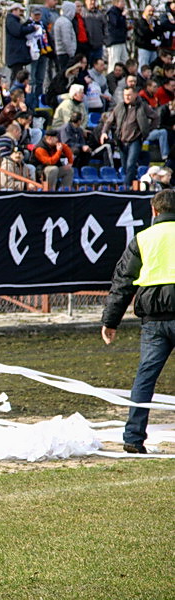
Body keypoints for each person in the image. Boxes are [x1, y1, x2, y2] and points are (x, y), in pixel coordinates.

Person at [101, 189, 175, 454]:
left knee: (145, 378)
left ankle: (133, 437)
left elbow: (122, 283)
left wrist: (111, 321)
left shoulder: (142, 239)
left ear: (154, 211)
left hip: (153, 320)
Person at [101, 86, 160, 186]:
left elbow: (155, 117)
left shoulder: (142, 106)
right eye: (125, 95)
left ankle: (126, 187)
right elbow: (109, 121)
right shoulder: (119, 106)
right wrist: (104, 132)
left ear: (135, 95)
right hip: (121, 140)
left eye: (129, 95)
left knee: (130, 164)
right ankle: (133, 184)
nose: (126, 97)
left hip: (135, 139)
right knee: (125, 166)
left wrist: (147, 130)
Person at [6, 2, 37, 81]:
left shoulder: (15, 21)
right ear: (14, 10)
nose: (22, 13)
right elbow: (18, 31)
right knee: (16, 76)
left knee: (19, 76)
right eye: (20, 11)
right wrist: (32, 28)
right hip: (16, 55)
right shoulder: (11, 21)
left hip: (18, 55)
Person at [135, 4, 162, 71]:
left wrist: (157, 40)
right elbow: (144, 32)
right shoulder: (140, 21)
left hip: (153, 49)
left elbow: (159, 31)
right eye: (149, 11)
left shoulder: (154, 22)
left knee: (153, 68)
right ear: (145, 11)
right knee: (143, 67)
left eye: (152, 11)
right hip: (144, 48)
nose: (151, 13)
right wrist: (152, 37)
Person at [105, 0, 129, 74]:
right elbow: (115, 23)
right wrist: (123, 16)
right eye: (122, 2)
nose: (124, 4)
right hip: (114, 41)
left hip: (121, 40)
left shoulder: (119, 12)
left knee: (125, 61)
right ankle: (111, 78)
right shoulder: (112, 12)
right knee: (114, 62)